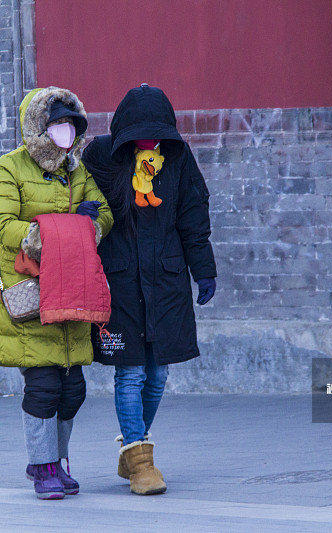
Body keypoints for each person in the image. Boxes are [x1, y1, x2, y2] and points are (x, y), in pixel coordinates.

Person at [82, 84, 217, 495]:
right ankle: (142, 466)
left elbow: (193, 215)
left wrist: (204, 269)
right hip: (120, 283)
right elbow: (78, 197)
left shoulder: (177, 158)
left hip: (167, 281)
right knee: (132, 372)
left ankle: (132, 446)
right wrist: (83, 211)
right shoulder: (101, 156)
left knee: (158, 376)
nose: (147, 140)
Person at [0, 86, 113, 500]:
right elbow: (1, 224)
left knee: (73, 388)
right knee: (43, 386)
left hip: (71, 288)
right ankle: (42, 466)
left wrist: (87, 227)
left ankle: (56, 459)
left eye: (70, 125)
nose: (65, 131)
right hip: (31, 291)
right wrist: (56, 231)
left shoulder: (78, 171)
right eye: (57, 124)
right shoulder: (10, 167)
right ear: (39, 127)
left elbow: (103, 212)